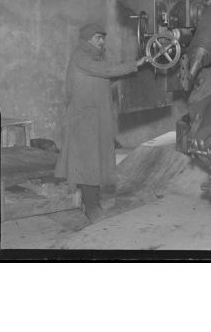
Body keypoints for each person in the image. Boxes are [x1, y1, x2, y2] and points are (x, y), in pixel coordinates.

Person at [55, 22, 149, 222]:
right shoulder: (81, 57)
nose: (102, 42)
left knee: (95, 161)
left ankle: (90, 203)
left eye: (103, 38)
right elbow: (105, 71)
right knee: (89, 164)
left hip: (94, 118)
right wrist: (135, 64)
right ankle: (92, 208)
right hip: (84, 120)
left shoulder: (92, 59)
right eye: (98, 38)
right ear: (88, 38)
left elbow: (101, 78)